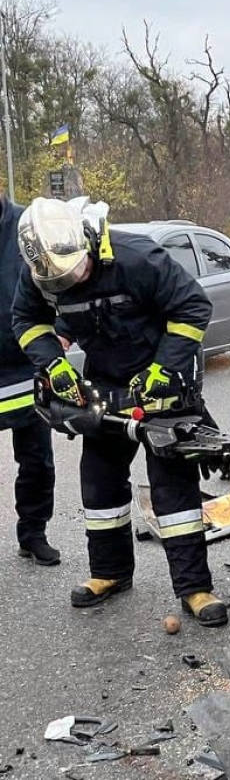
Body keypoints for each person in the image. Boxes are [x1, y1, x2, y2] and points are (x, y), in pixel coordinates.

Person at [11, 196, 227, 626]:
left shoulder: (137, 259)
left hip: (164, 386)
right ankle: (109, 573)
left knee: (173, 492)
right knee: (100, 486)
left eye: (75, 273)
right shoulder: (40, 272)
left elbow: (193, 307)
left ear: (87, 243)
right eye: (60, 281)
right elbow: (26, 320)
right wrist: (53, 363)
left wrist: (163, 369)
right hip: (105, 387)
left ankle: (195, 589)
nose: (70, 283)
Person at [0, 194, 58, 566]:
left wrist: (59, 335)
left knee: (37, 459)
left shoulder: (27, 227)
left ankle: (33, 533)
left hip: (24, 364)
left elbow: (58, 281)